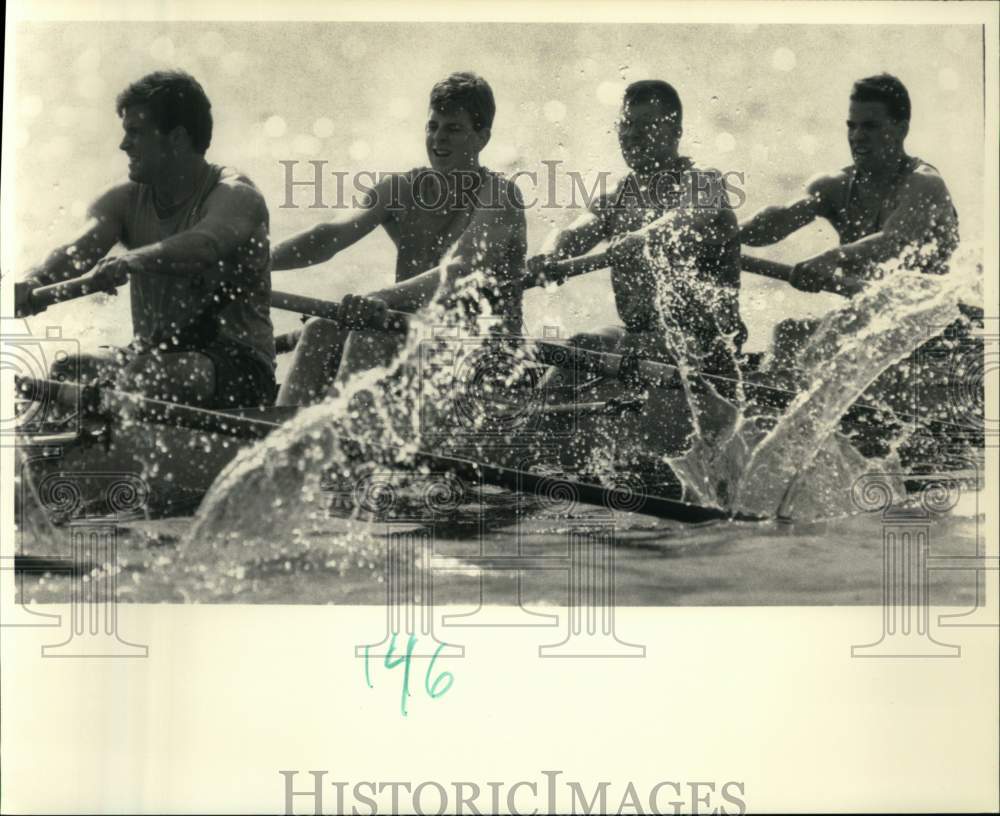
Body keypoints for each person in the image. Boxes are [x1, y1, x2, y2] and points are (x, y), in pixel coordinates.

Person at [15, 70, 276, 409]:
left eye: (135, 133)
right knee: (69, 371)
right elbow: (75, 252)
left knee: (129, 378)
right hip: (152, 359)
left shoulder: (236, 195)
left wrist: (131, 259)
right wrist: (33, 282)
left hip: (240, 369)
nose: (124, 144)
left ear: (177, 139)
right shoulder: (123, 200)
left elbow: (204, 246)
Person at [272, 71, 527, 406]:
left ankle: (339, 440)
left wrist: (380, 296)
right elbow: (328, 237)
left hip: (482, 357)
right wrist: (252, 263)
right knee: (319, 328)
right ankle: (282, 436)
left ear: (482, 138)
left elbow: (460, 270)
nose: (439, 139)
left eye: (454, 129)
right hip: (413, 339)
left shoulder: (500, 196)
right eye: (433, 126)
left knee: (368, 334)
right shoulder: (402, 190)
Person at [529, 79, 746, 390]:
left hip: (708, 350)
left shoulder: (703, 180)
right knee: (579, 346)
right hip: (640, 339)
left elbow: (688, 216)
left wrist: (642, 237)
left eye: (645, 125)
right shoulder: (617, 198)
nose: (631, 135)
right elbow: (574, 233)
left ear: (675, 132)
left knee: (631, 349)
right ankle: (540, 422)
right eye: (626, 124)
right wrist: (549, 254)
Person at [741, 73, 959, 293]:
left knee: (791, 330)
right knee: (788, 329)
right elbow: (782, 218)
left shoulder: (925, 185)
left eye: (870, 127)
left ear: (901, 130)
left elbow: (895, 242)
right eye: (852, 126)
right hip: (873, 317)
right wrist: (730, 234)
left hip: (930, 317)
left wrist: (834, 256)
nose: (857, 136)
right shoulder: (834, 187)